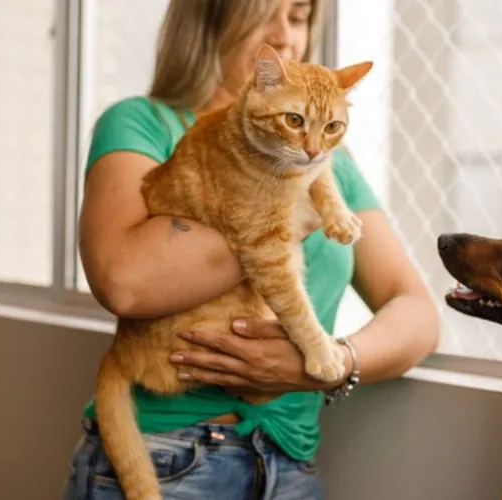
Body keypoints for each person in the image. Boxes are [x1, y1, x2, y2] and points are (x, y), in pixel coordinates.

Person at [62, 1, 439, 498]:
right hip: (169, 452)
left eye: (300, 17)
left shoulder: (326, 157)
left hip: (292, 465)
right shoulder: (145, 123)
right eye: (264, 14)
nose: (284, 37)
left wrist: (332, 363)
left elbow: (417, 313)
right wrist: (294, 215)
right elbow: (123, 282)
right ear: (209, 18)